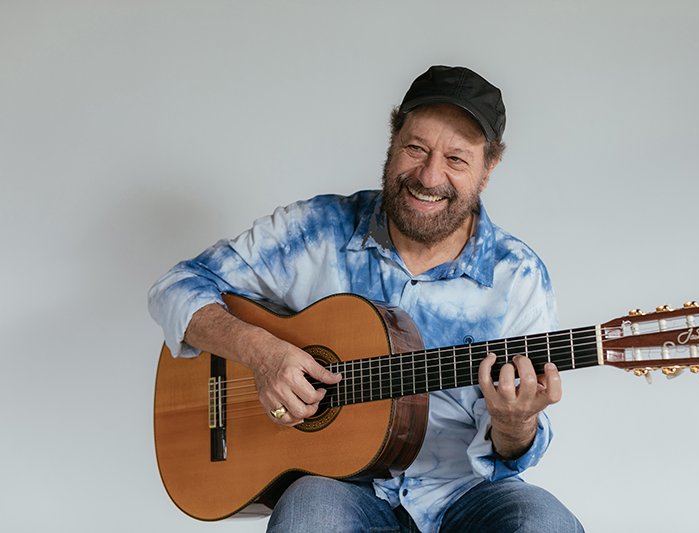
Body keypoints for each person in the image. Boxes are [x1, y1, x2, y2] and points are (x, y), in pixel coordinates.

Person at [148, 65, 584, 533]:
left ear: (488, 168)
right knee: (308, 516)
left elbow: (513, 453)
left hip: (463, 494)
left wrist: (514, 424)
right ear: (393, 139)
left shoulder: (517, 277)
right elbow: (175, 287)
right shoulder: (314, 230)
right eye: (416, 148)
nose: (429, 175)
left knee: (544, 523)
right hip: (339, 485)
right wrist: (261, 353)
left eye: (457, 159)